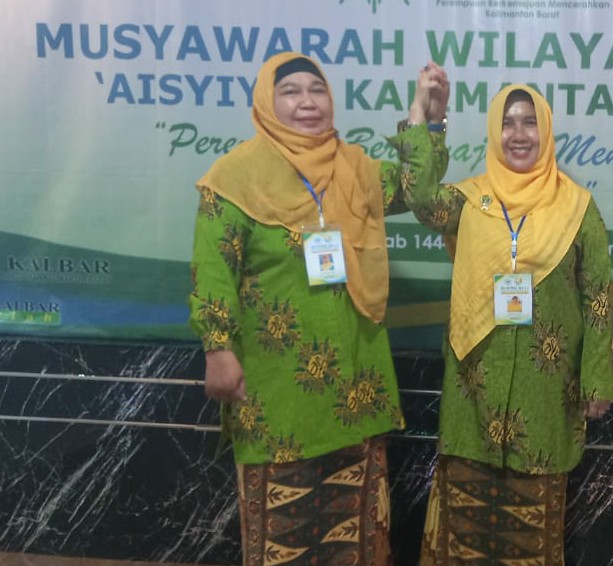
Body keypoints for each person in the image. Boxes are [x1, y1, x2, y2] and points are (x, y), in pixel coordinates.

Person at [188, 52, 449, 566]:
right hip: (278, 390)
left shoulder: (352, 167)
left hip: (354, 384)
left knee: (354, 535)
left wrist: (426, 117)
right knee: (285, 537)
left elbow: (418, 194)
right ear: (267, 102)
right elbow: (213, 269)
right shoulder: (234, 177)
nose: (307, 101)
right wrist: (218, 348)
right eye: (290, 92)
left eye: (317, 89)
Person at [406, 84, 613, 565]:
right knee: (466, 524)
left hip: (545, 395)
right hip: (474, 389)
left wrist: (597, 378)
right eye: (507, 123)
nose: (518, 134)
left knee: (532, 527)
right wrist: (426, 119)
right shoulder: (470, 200)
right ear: (493, 132)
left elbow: (598, 298)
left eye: (529, 122)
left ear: (546, 130)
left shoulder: (578, 208)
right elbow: (419, 199)